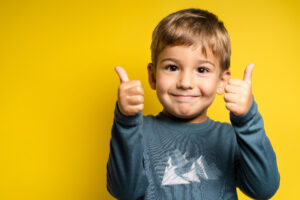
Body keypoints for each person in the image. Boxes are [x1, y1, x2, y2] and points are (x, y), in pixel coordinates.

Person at [106, 8, 280, 200]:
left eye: (202, 70)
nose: (185, 83)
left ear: (222, 81)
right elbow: (124, 192)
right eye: (172, 67)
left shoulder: (229, 137)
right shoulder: (139, 132)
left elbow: (264, 189)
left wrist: (248, 120)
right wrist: (126, 122)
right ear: (153, 76)